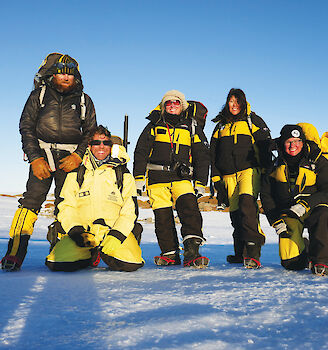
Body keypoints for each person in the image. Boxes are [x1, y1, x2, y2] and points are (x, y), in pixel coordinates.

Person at [1, 54, 97, 271]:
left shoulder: (84, 100)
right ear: (52, 74)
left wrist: (78, 156)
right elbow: (26, 127)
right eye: (61, 72)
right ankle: (14, 254)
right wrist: (35, 158)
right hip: (42, 156)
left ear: (76, 77)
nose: (65, 76)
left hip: (71, 160)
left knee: (66, 205)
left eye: (70, 73)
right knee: (31, 202)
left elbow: (90, 132)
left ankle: (62, 252)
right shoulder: (39, 95)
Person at [45, 125, 144, 272]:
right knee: (56, 263)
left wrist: (117, 235)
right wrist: (76, 232)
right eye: (96, 143)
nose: (101, 147)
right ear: (89, 146)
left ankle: (108, 249)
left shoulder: (123, 174)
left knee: (130, 263)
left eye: (106, 143)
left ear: (112, 146)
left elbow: (130, 209)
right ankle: (90, 253)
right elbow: (66, 206)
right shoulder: (76, 173)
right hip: (84, 233)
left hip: (111, 232)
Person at [133, 90, 210, 268]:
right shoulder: (153, 125)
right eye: (168, 103)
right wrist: (138, 178)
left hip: (181, 178)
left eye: (176, 102)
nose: (172, 105)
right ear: (163, 106)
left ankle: (192, 252)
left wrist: (200, 182)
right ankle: (170, 253)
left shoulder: (191, 126)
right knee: (162, 217)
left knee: (189, 210)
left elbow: (202, 155)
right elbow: (141, 151)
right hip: (156, 177)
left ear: (182, 106)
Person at [260, 125, 328, 276]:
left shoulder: (318, 161)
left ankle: (320, 261)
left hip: (314, 208)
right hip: (289, 213)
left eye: (297, 141)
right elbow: (266, 195)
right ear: (282, 143)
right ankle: (305, 250)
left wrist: (306, 204)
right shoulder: (274, 166)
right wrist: (275, 219)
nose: (293, 146)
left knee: (323, 215)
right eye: (289, 141)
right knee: (291, 264)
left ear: (303, 142)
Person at [210, 88, 272, 269]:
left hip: (249, 171)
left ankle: (253, 253)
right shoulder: (220, 125)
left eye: (237, 101)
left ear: (243, 102)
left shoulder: (253, 120)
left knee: (247, 207)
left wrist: (267, 171)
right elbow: (212, 153)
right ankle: (240, 253)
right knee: (236, 215)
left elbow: (265, 146)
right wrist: (215, 176)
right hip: (228, 175)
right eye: (231, 101)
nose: (234, 105)